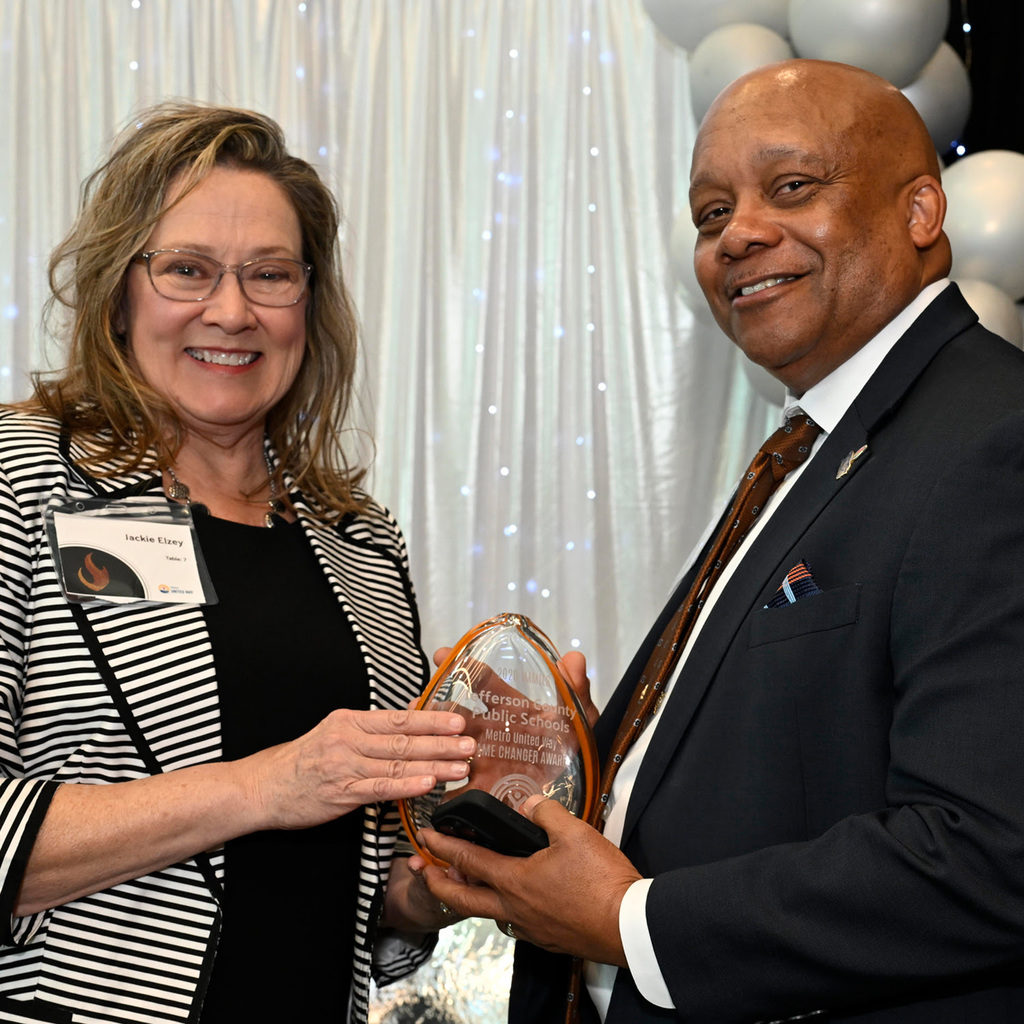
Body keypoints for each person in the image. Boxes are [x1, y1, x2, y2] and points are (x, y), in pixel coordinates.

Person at [417, 59, 1024, 1023]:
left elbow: (992, 853)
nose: (737, 234)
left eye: (792, 187)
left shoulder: (993, 436)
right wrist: (580, 761)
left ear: (921, 211)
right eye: (709, 214)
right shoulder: (817, 447)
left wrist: (632, 923)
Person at [0, 103, 476, 1024]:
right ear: (120, 290)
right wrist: (269, 783)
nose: (232, 310)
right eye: (186, 270)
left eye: (270, 275)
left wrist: (437, 887)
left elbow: (361, 888)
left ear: (310, 302)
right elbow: (290, 788)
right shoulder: (22, 479)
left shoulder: (362, 539)